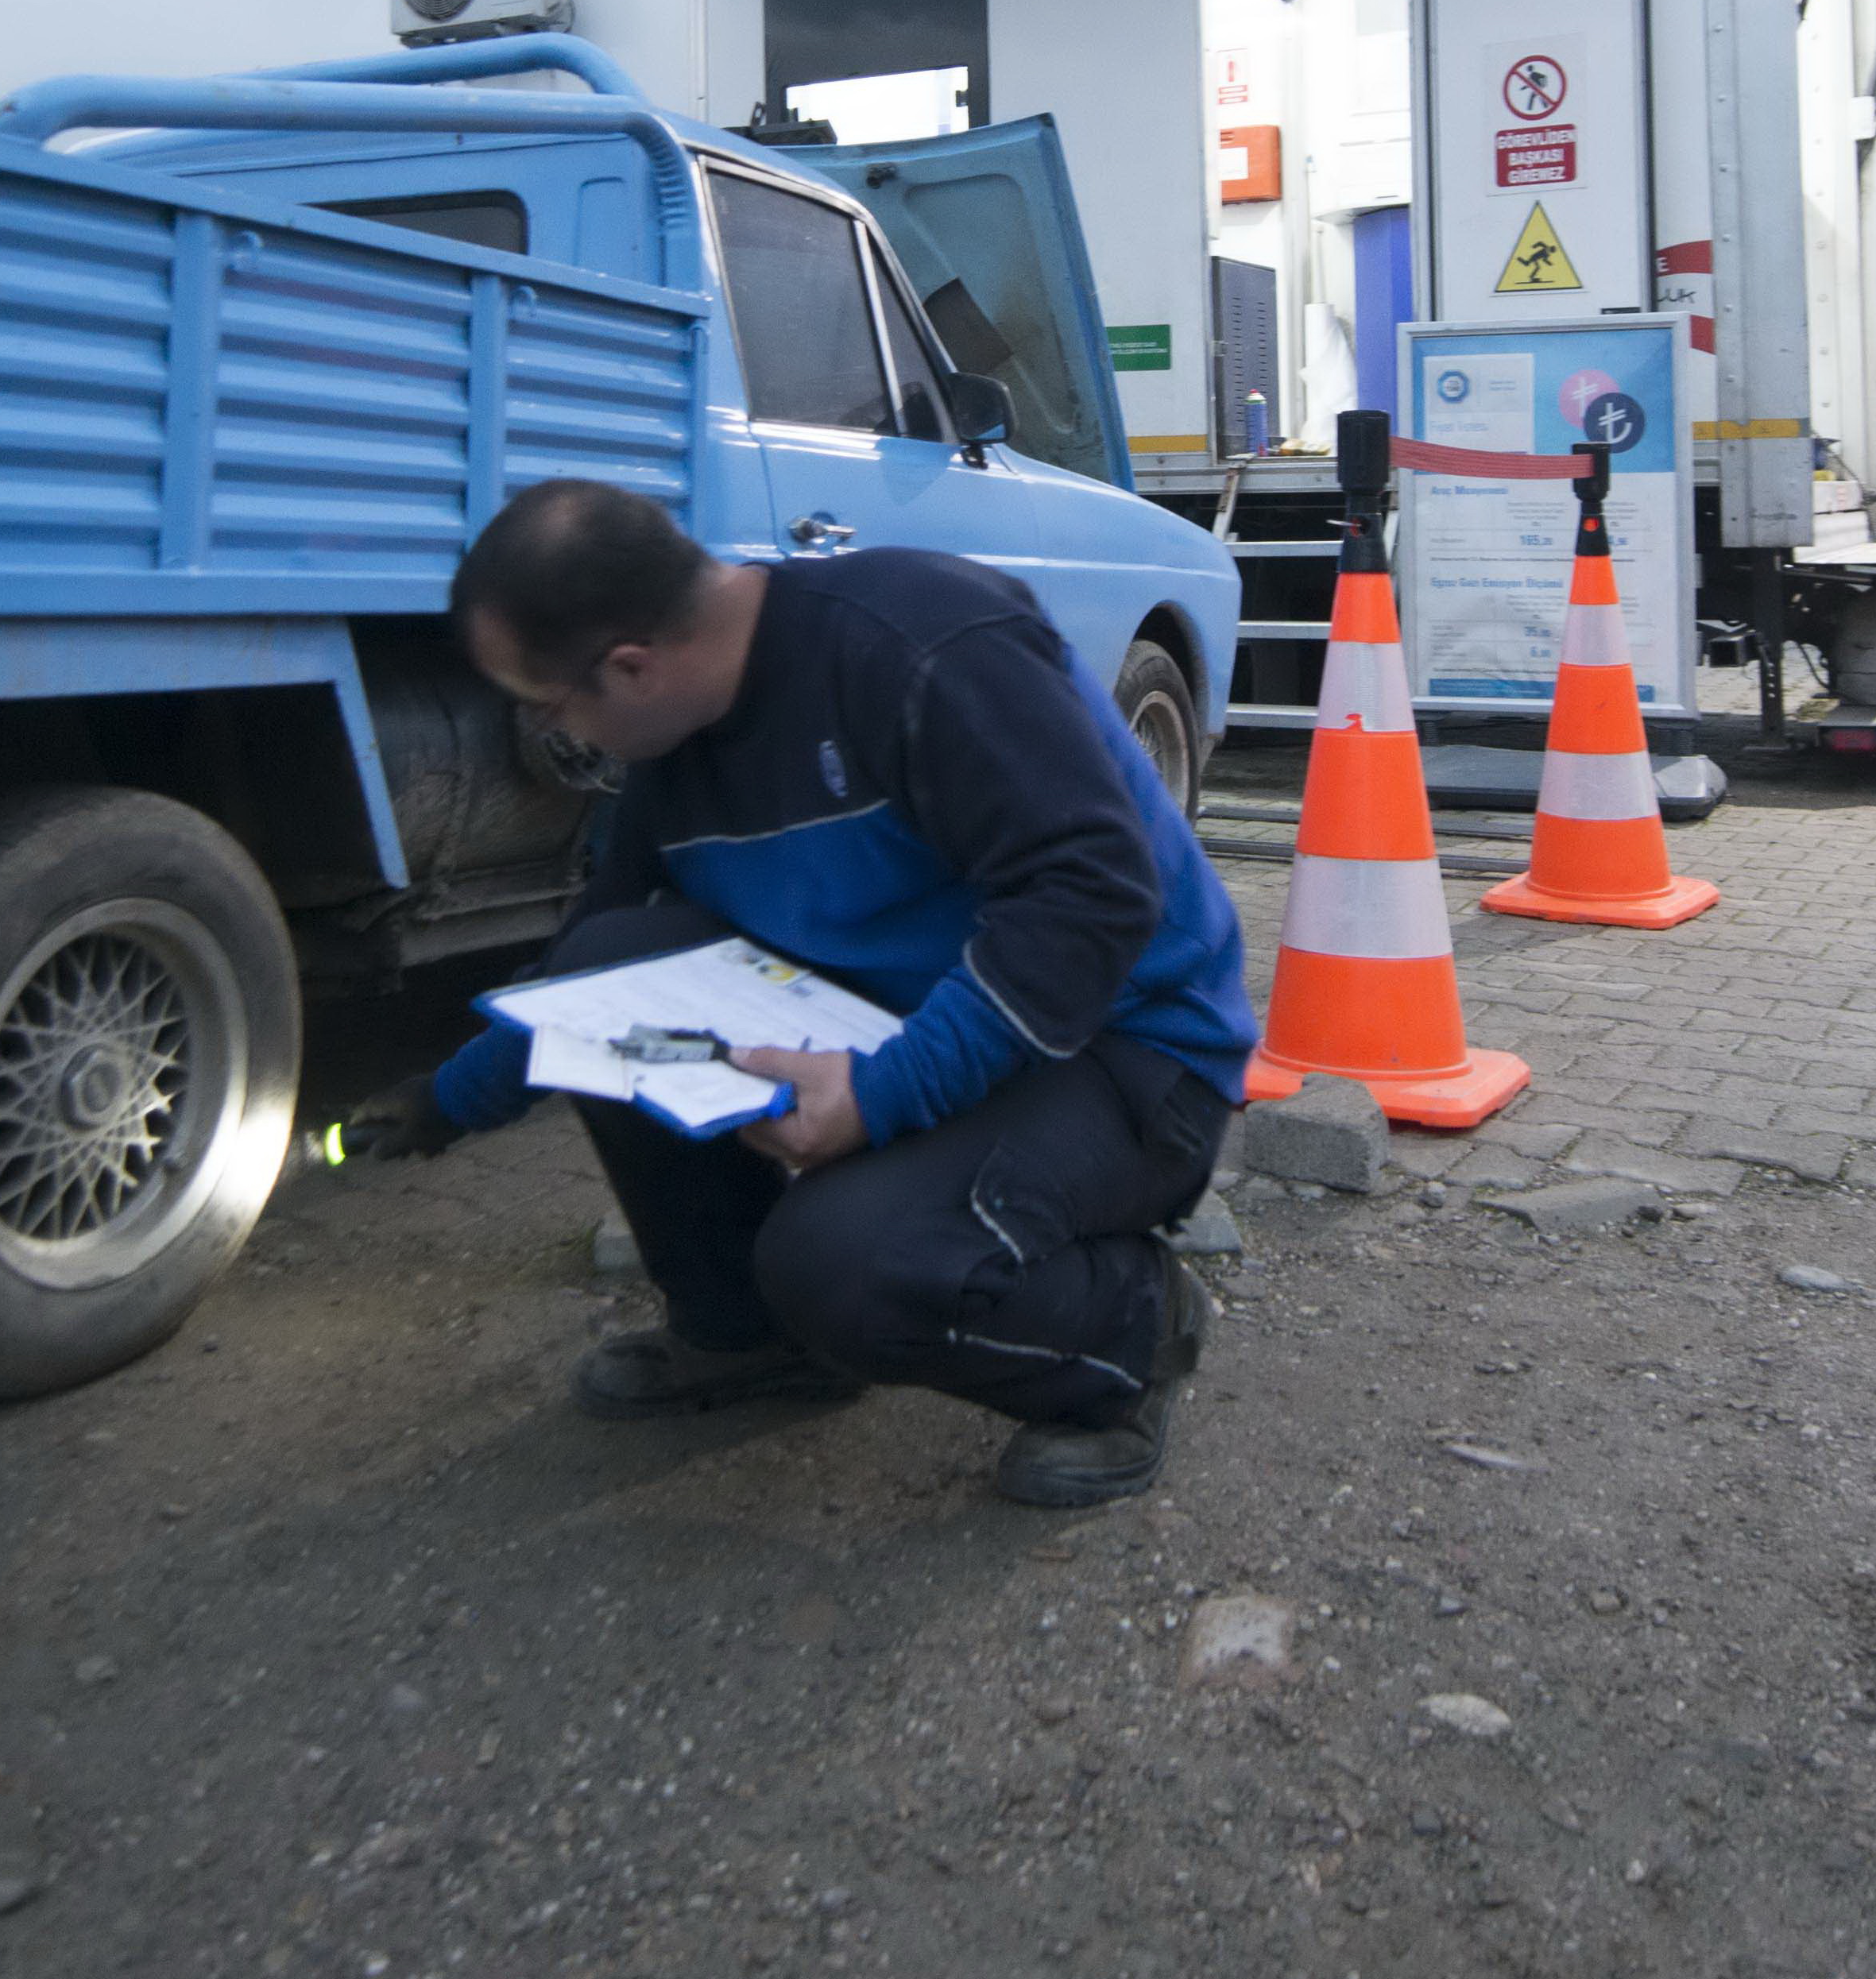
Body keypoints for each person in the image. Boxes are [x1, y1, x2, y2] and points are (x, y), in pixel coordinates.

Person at [345, 479, 1254, 1509]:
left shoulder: (922, 646)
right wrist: (445, 1100)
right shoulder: (674, 750)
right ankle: (749, 1341)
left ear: (631, 666)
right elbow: (585, 977)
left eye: (552, 707)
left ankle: (1127, 1335)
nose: (563, 738)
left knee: (842, 1263)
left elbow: (1092, 897)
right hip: (914, 1018)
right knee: (610, 968)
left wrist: (876, 1099)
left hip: (1128, 1049)